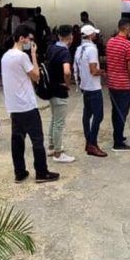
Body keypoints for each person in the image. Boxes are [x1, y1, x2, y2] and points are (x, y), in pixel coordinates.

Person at [1, 24, 60, 183]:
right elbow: (36, 76)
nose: (31, 42)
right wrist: (33, 54)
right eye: (30, 39)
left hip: (13, 106)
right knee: (37, 140)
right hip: (26, 105)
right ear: (22, 38)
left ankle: (19, 172)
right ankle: (41, 172)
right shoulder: (21, 57)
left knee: (17, 140)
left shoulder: (5, 56)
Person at [105, 18, 130, 152]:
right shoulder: (128, 45)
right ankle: (118, 142)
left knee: (115, 111)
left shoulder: (110, 42)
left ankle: (118, 135)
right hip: (124, 84)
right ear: (127, 28)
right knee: (122, 113)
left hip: (112, 82)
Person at [75, 25, 107, 157]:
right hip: (93, 87)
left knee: (87, 115)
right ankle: (92, 143)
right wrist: (103, 72)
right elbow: (93, 70)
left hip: (84, 85)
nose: (96, 35)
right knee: (98, 115)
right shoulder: (92, 49)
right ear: (90, 35)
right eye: (94, 33)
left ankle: (88, 141)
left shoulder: (79, 49)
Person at [46, 25, 75, 162]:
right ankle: (58, 153)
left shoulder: (51, 48)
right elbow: (67, 71)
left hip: (50, 88)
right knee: (59, 122)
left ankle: (51, 146)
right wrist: (67, 84)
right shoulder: (65, 52)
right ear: (70, 37)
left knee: (53, 118)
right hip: (59, 89)